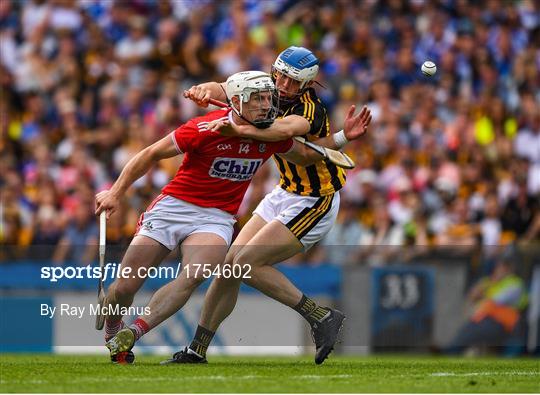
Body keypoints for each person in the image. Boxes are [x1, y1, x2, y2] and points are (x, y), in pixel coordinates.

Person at [98, 69, 371, 363]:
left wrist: (342, 136)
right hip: (173, 207)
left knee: (194, 276)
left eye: (269, 98)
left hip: (216, 218)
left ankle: (135, 332)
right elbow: (149, 154)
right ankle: (114, 325)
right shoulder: (203, 129)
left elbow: (306, 155)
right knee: (124, 287)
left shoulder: (269, 135)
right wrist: (115, 192)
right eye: (259, 99)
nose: (267, 105)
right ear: (238, 101)